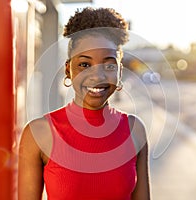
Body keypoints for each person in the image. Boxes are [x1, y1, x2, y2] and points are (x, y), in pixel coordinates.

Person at [18, 7, 150, 200]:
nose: (97, 75)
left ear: (119, 71)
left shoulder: (134, 129)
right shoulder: (38, 133)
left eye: (109, 65)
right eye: (85, 64)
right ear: (68, 70)